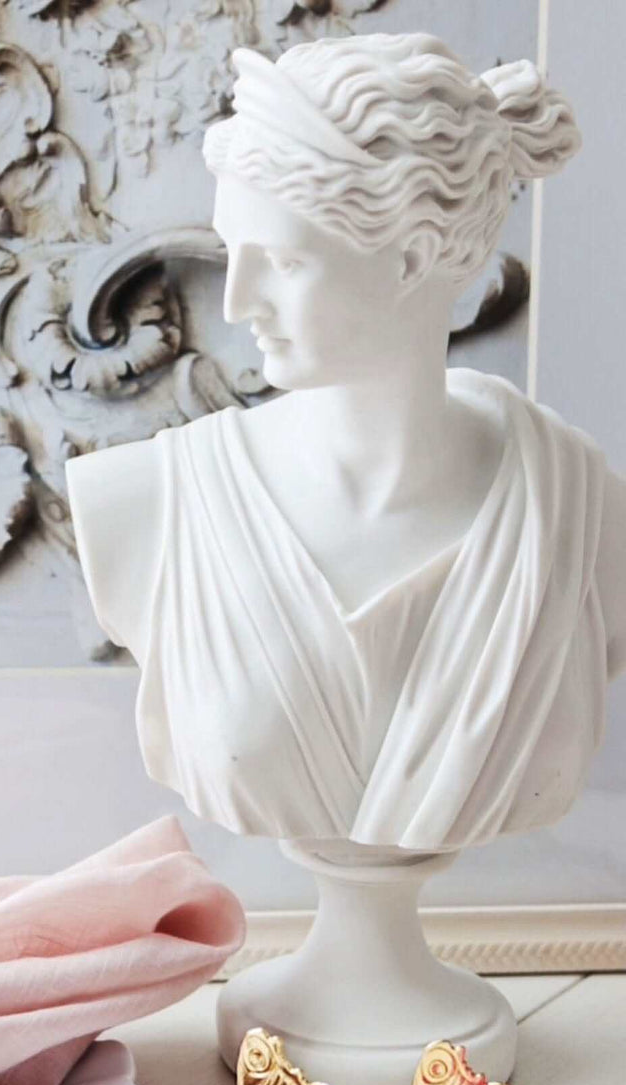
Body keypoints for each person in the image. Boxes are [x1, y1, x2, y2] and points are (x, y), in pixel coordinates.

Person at [66, 32, 626, 860]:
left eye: (284, 262)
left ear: (415, 257)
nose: (237, 303)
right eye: (234, 255)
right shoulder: (140, 504)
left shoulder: (583, 516)